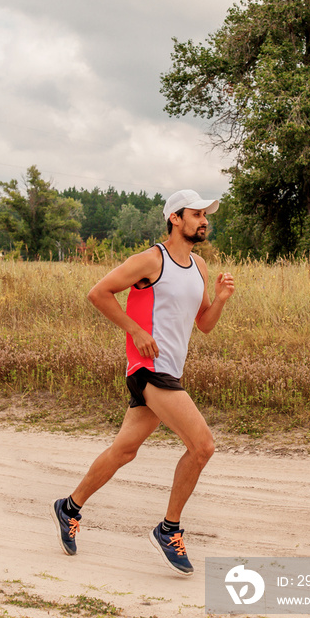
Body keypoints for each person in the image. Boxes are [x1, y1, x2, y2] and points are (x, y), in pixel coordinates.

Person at [50, 189, 235, 576]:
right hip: (149, 370)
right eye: (196, 214)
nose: (204, 220)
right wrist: (134, 330)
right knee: (202, 446)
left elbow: (204, 325)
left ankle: (69, 506)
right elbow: (98, 293)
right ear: (175, 219)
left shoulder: (199, 266)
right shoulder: (151, 260)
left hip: (169, 369)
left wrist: (219, 299)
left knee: (124, 450)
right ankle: (169, 530)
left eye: (205, 215)